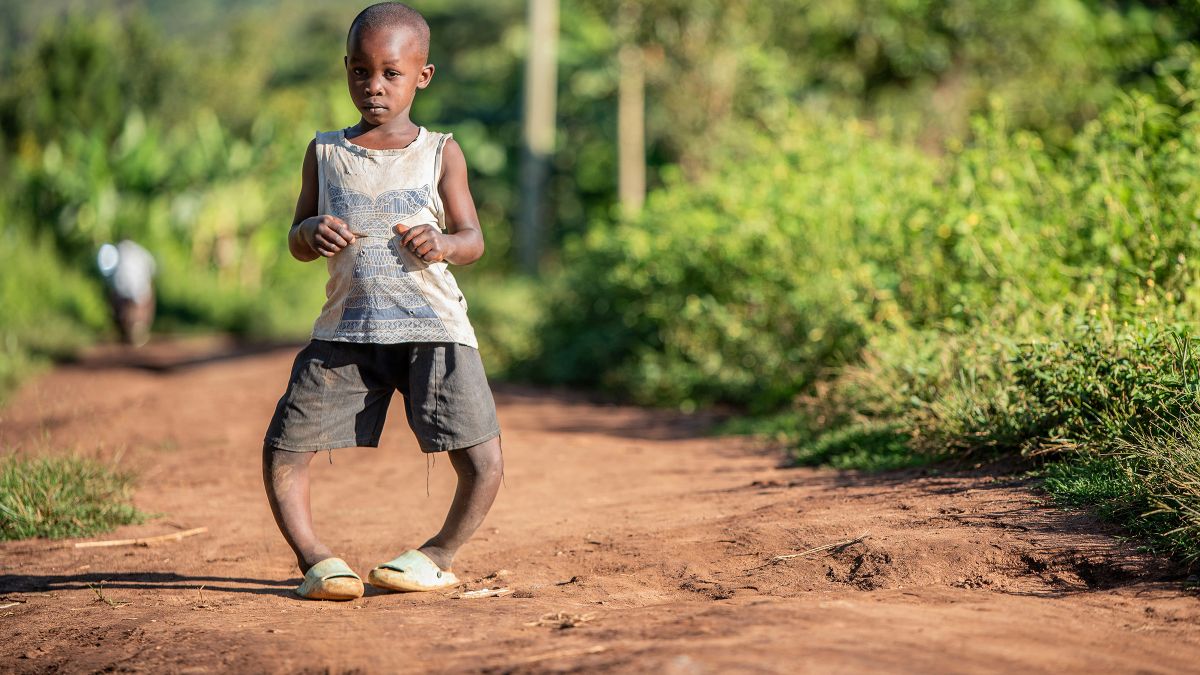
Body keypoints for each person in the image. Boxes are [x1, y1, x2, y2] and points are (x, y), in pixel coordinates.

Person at [261, 2, 503, 601]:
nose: (373, 87)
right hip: (348, 330)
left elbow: (474, 239)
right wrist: (310, 231)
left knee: (483, 461)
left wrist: (444, 243)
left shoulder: (440, 151)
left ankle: (437, 555)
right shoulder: (324, 151)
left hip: (435, 329)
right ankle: (317, 561)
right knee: (285, 447)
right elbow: (295, 239)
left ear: (422, 76)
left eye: (391, 73)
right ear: (345, 69)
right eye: (360, 72)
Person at [96, 240, 156, 347]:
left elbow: (106, 273)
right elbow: (152, 269)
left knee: (117, 300)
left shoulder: (114, 252)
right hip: (139, 288)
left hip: (121, 289)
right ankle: (139, 325)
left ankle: (126, 327)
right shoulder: (141, 252)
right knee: (143, 300)